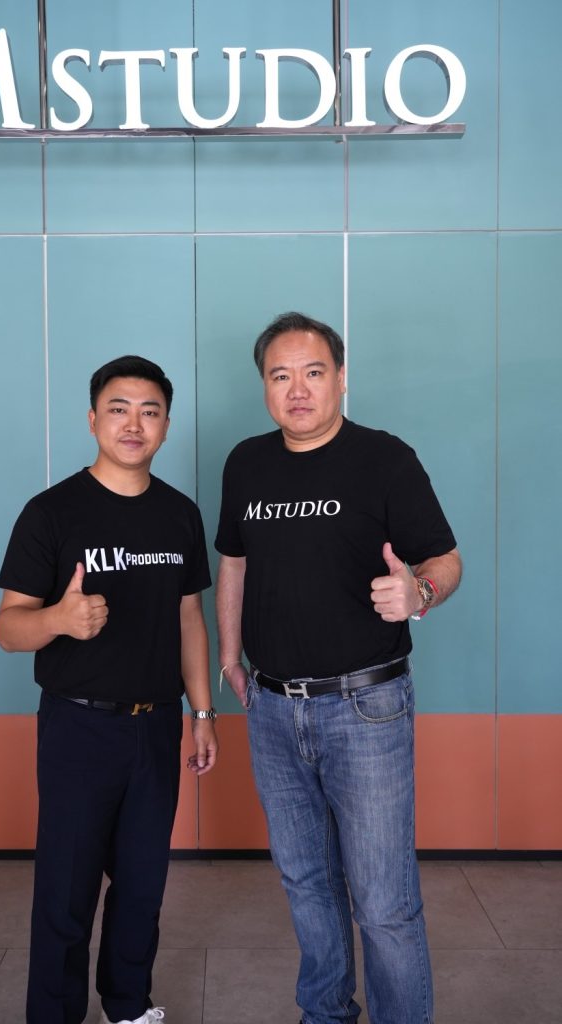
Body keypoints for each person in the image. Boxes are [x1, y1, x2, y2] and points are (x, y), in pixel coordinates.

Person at [215, 312, 461, 1024]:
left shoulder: (384, 459)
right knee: (306, 884)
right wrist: (229, 654)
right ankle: (324, 1014)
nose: (297, 390)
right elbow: (234, 563)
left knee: (383, 902)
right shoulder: (245, 463)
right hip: (271, 707)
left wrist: (420, 593)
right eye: (280, 375)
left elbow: (445, 559)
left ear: (342, 379)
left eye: (313, 372)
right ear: (264, 386)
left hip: (366, 709)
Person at [0, 355, 218, 1024]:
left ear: (167, 425)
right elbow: (8, 628)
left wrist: (202, 712)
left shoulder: (179, 514)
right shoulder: (51, 512)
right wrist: (59, 620)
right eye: (119, 409)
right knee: (66, 887)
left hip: (156, 724)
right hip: (78, 727)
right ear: (93, 419)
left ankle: (128, 1006)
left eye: (150, 411)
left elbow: (189, 618)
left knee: (142, 884)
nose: (133, 424)